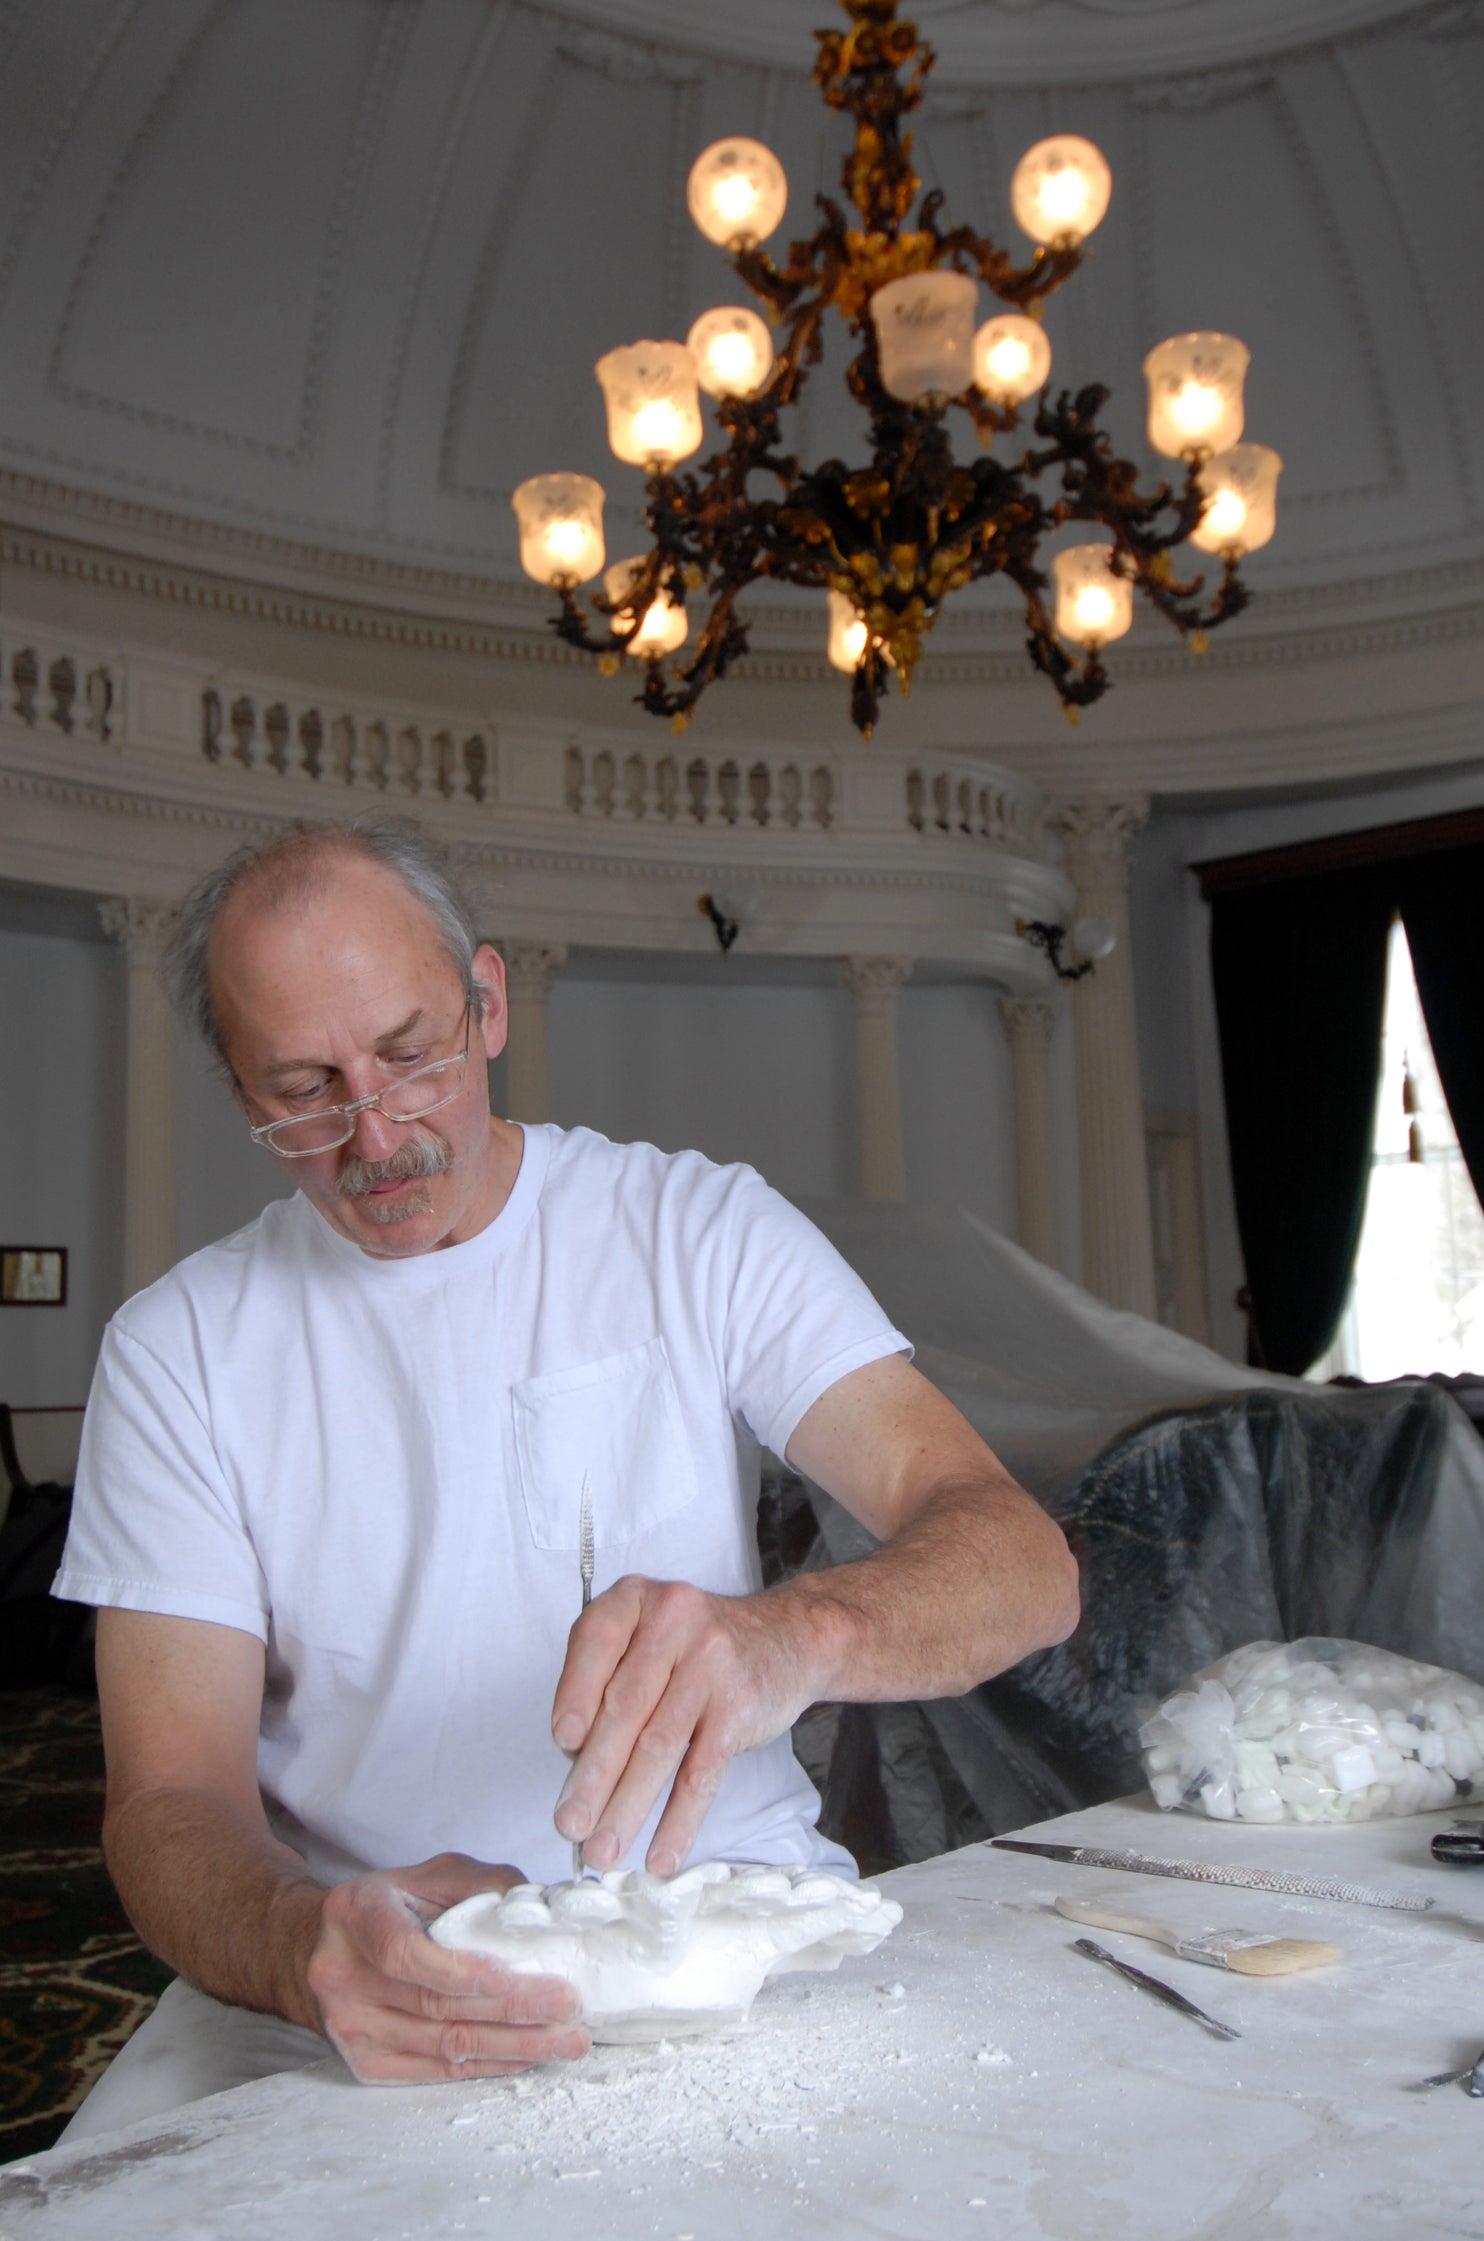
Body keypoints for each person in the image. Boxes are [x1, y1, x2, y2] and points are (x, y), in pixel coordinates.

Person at [53, 813, 1078, 2139]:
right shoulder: (178, 1350)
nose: (374, 1134)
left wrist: (797, 1635)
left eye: (409, 1054)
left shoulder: (690, 1228)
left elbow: (1021, 1563)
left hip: (727, 1923)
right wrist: (301, 1938)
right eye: (303, 1087)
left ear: (486, 1003)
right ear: (242, 1089)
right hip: (382, 1976)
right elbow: (168, 1798)